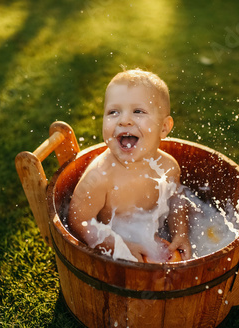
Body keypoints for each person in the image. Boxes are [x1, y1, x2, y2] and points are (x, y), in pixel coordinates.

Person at [68, 69, 191, 262]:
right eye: (113, 112)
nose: (124, 120)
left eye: (138, 111)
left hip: (154, 240)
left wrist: (180, 233)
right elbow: (79, 222)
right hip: (112, 259)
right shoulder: (100, 177)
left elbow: (176, 202)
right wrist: (117, 246)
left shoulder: (168, 167)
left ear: (164, 127)